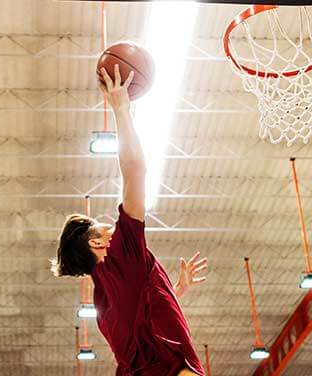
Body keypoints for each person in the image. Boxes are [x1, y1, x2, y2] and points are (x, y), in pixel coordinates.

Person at [52, 65, 209, 376]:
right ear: (97, 242)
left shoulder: (103, 304)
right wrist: (121, 107)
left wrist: (173, 290)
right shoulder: (123, 256)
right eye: (103, 225)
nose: (112, 226)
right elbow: (135, 168)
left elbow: (140, 315)